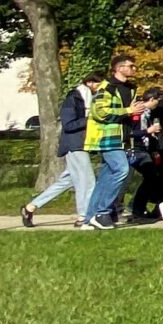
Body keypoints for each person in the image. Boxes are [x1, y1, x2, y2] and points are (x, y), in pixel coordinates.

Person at [24, 66, 100, 225]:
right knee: (87, 180)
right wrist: (91, 120)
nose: (99, 89)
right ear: (90, 82)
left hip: (82, 143)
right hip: (74, 144)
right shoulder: (74, 98)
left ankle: (30, 207)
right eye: (98, 85)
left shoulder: (89, 99)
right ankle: (84, 216)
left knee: (67, 181)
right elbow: (69, 124)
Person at [78, 54, 140, 227]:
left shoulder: (132, 88)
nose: (134, 69)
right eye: (131, 66)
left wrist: (138, 110)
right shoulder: (108, 88)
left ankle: (90, 218)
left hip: (123, 137)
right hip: (108, 137)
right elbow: (100, 112)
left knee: (106, 177)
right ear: (120, 68)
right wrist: (128, 110)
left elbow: (128, 112)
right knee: (121, 170)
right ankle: (103, 212)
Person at [134, 84, 163, 219]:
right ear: (152, 99)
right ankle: (136, 207)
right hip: (139, 148)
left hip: (149, 147)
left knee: (154, 177)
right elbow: (133, 132)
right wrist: (149, 133)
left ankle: (140, 208)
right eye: (157, 100)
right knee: (151, 177)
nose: (158, 103)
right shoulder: (141, 112)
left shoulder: (149, 113)